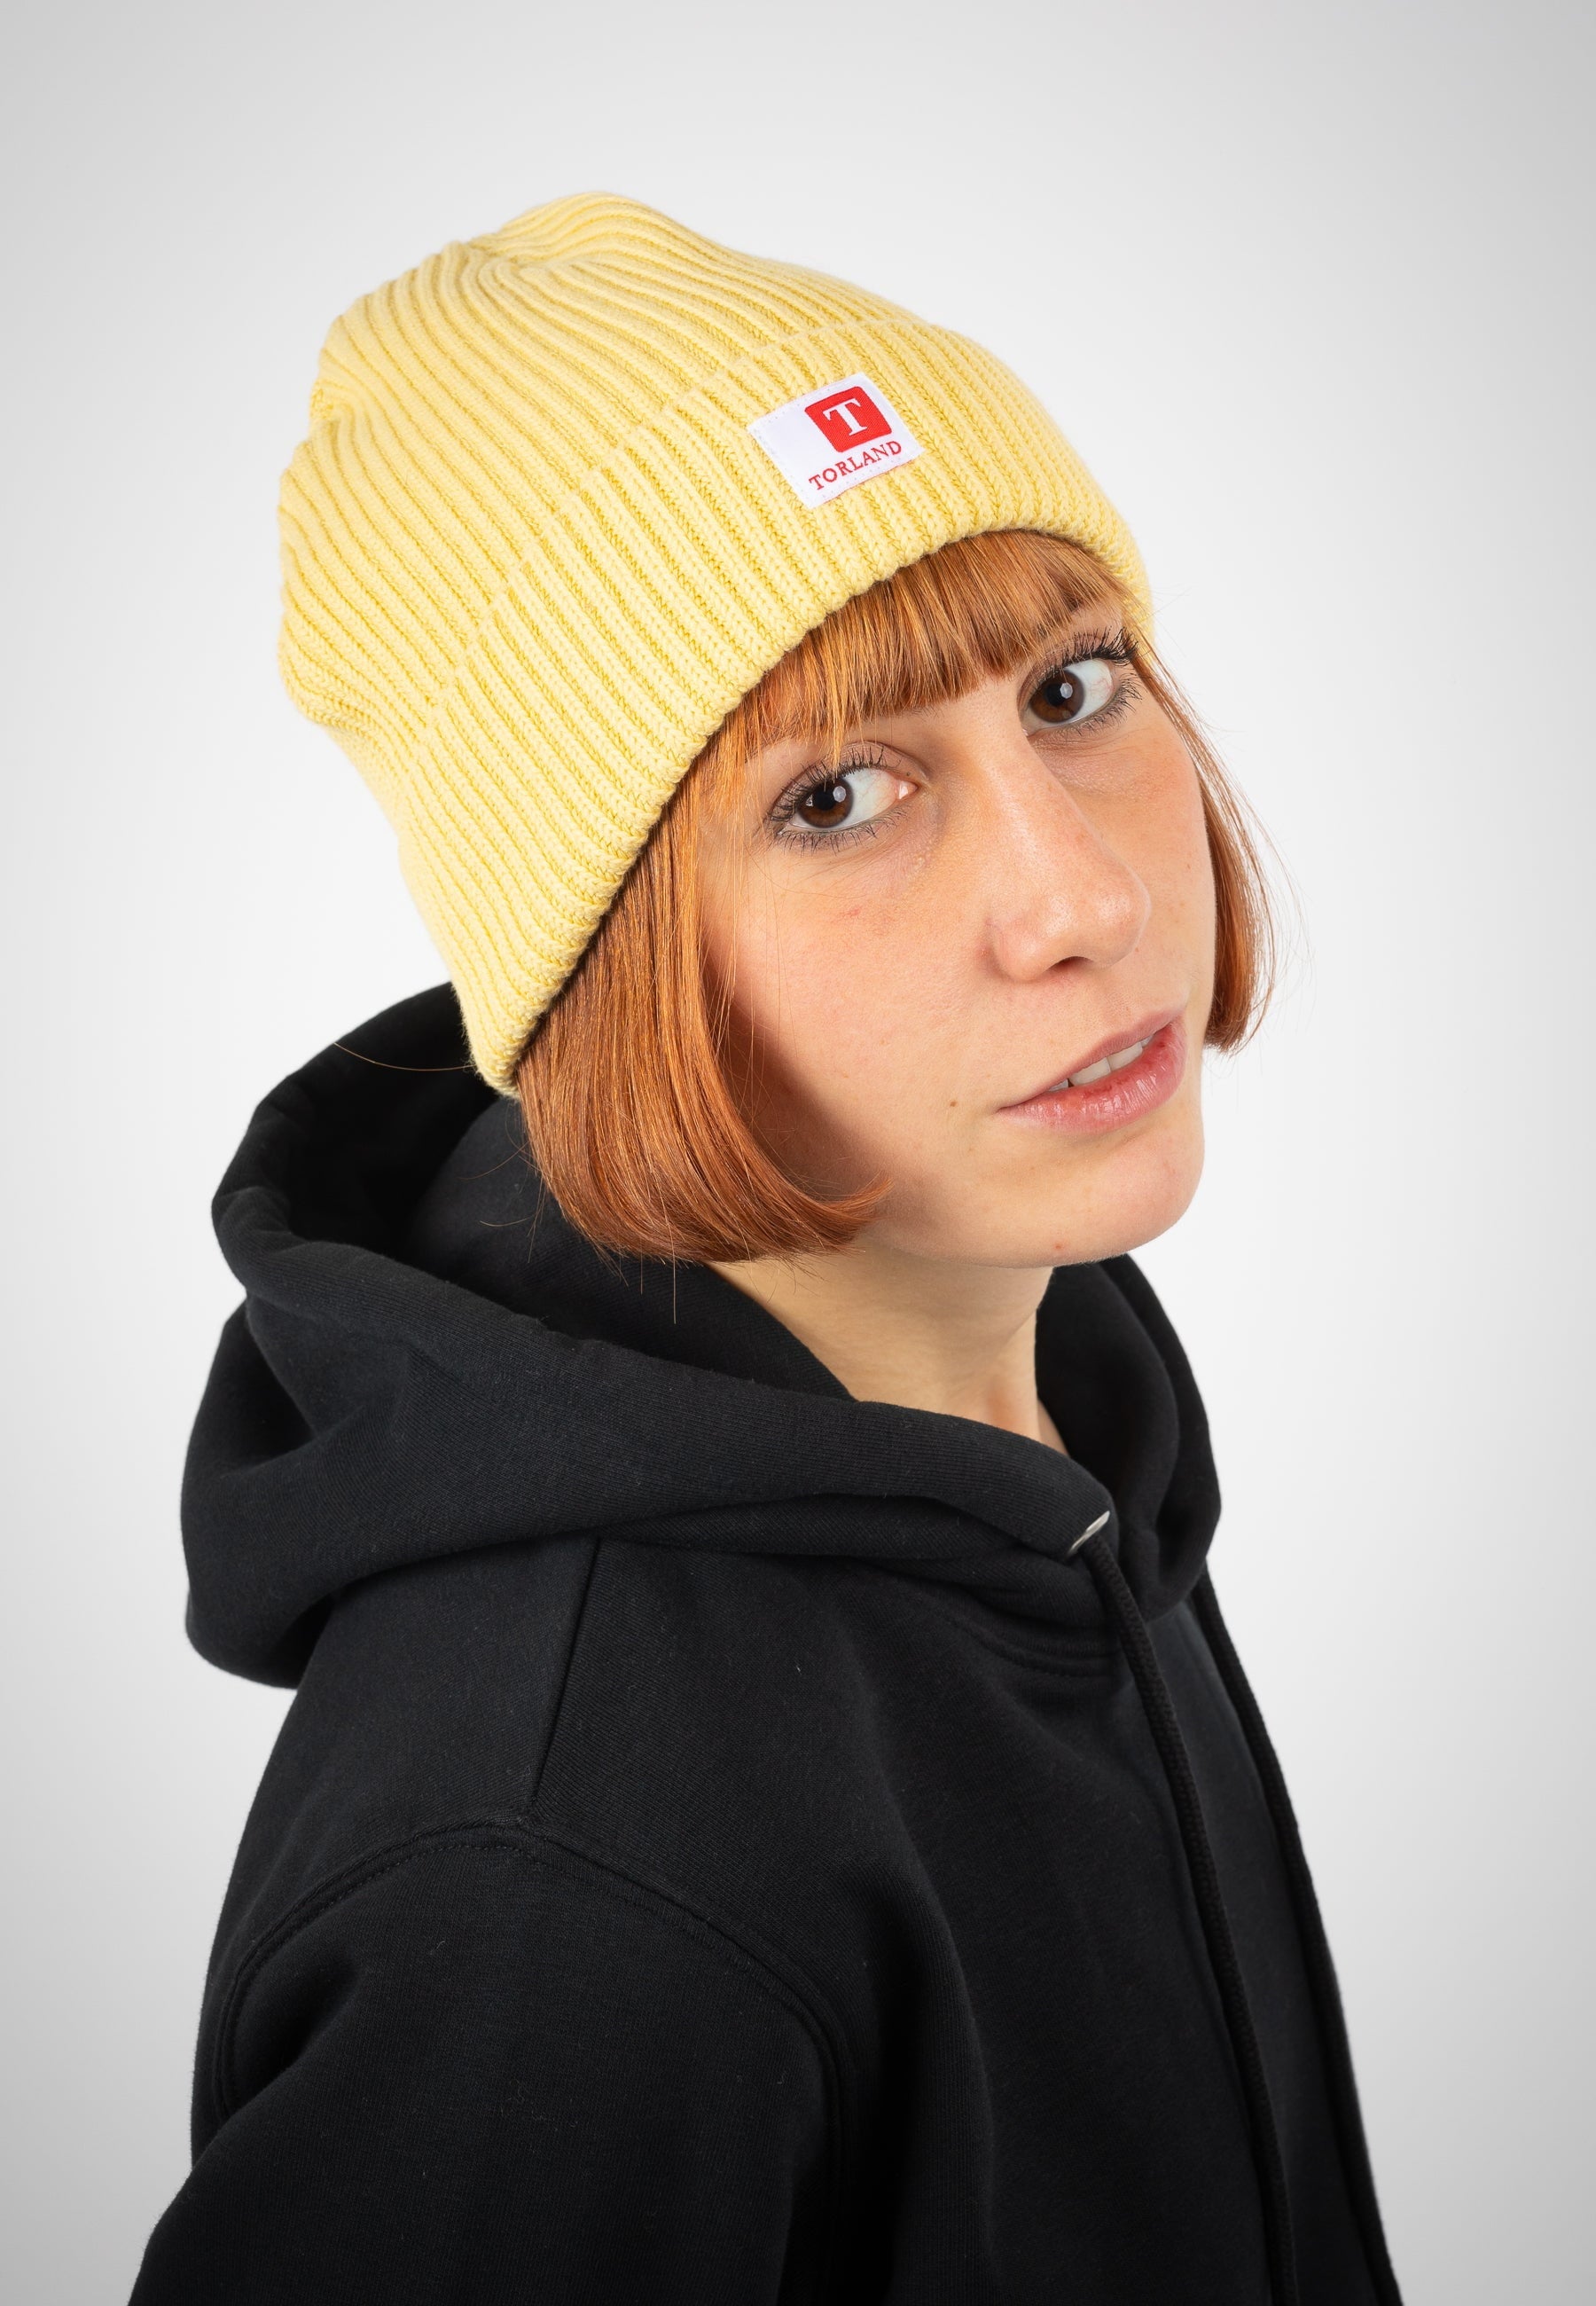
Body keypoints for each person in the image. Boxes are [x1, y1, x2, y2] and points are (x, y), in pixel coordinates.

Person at [131, 194, 1404, 2304]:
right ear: (609, 964)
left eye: (1074, 685)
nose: (1081, 898)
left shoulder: (1042, 1445)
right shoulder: (555, 1878)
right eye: (838, 798)